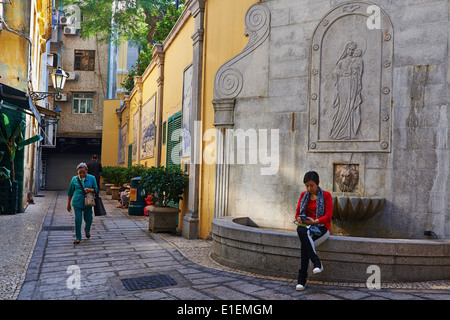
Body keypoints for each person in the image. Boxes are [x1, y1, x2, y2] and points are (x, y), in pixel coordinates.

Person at [295, 171, 333, 290]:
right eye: (307, 185)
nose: (309, 188)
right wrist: (299, 218)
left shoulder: (326, 196)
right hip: (307, 227)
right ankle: (316, 262)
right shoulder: (303, 195)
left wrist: (314, 221)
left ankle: (302, 280)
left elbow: (328, 216)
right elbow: (297, 213)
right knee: (300, 229)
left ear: (317, 184)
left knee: (305, 246)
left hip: (321, 228)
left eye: (311, 185)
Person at [67, 162, 98, 245]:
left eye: (83, 172)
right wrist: (68, 203)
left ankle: (87, 230)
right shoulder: (74, 179)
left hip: (88, 202)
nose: (81, 174)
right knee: (78, 220)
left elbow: (96, 189)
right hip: (77, 202)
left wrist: (90, 190)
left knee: (89, 219)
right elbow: (70, 192)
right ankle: (78, 237)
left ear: (87, 171)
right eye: (79, 172)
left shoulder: (92, 178)